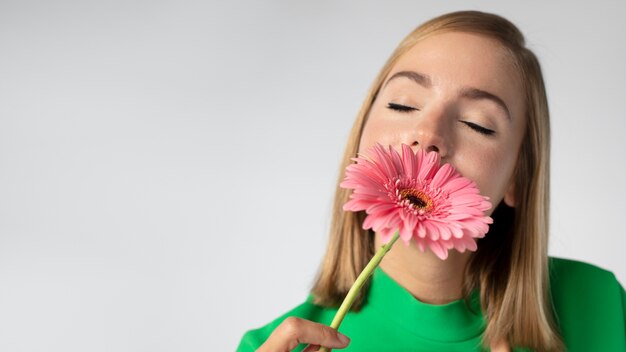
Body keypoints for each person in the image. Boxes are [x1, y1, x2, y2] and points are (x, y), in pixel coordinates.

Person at [237, 10, 626, 352]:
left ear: (517, 180)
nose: (427, 133)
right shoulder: (279, 348)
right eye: (402, 104)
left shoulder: (600, 304)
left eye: (477, 123)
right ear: (360, 134)